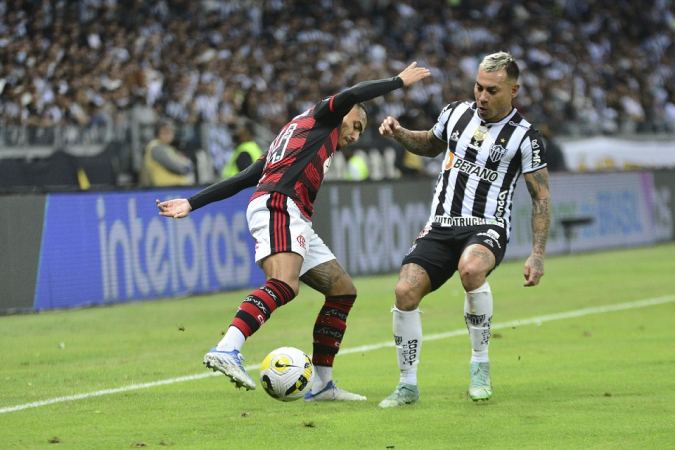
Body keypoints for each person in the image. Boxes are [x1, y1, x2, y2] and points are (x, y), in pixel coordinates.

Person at [156, 62, 430, 401]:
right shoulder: (322, 117)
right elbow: (352, 93)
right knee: (285, 283)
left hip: (291, 211)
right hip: (279, 206)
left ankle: (323, 385)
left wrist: (193, 203)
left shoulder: (296, 135)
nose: (356, 136)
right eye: (356, 125)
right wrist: (397, 81)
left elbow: (246, 177)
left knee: (343, 291)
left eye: (361, 131)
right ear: (343, 114)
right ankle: (228, 347)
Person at [377, 51, 551, 407]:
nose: (482, 97)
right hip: (441, 225)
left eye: (492, 90)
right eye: (479, 87)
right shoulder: (455, 113)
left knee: (471, 269)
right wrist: (400, 134)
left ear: (513, 90)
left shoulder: (525, 137)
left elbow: (541, 198)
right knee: (404, 292)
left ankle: (480, 366)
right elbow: (429, 144)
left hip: (487, 226)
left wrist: (537, 254)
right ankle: (407, 385)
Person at [139, 119, 195, 186]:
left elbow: (185, 163)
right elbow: (179, 169)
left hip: (175, 188)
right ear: (157, 133)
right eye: (164, 132)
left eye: (170, 132)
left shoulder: (169, 147)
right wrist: (187, 167)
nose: (167, 135)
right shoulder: (156, 147)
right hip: (165, 189)